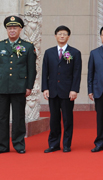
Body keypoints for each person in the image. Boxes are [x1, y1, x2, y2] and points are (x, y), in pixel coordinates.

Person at [0, 16, 37, 155]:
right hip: (1, 87)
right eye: (9, 28)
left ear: (20, 29)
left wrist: (29, 86)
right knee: (2, 117)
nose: (12, 30)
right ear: (6, 30)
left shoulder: (28, 46)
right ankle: (1, 146)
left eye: (15, 28)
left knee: (18, 117)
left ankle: (19, 144)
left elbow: (31, 69)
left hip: (19, 87)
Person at [42, 25, 82, 153]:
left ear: (68, 36)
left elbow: (77, 73)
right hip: (52, 91)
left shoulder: (75, 53)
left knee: (67, 119)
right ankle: (53, 144)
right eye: (59, 34)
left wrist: (74, 89)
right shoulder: (49, 52)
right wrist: (45, 88)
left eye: (64, 34)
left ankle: (66, 144)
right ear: (55, 36)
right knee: (54, 119)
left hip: (67, 91)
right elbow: (45, 72)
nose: (62, 36)